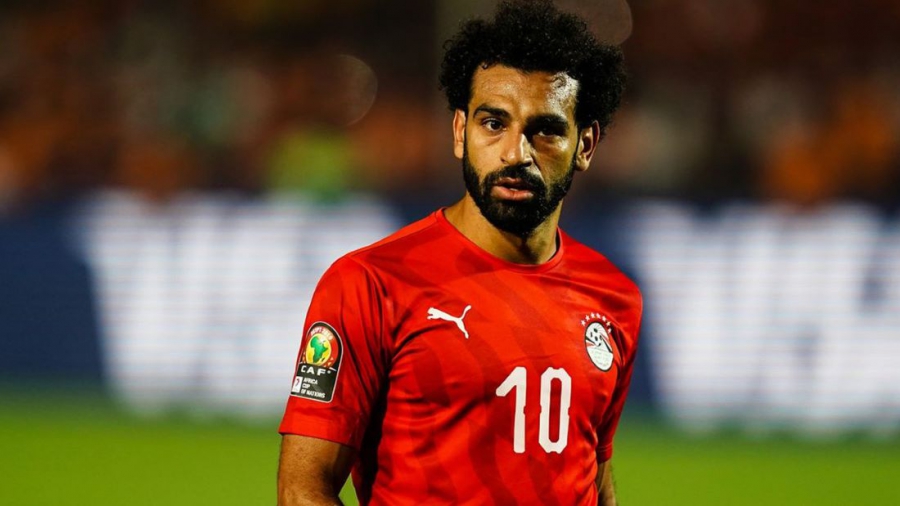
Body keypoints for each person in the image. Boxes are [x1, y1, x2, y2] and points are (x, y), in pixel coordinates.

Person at [277, 1, 641, 504]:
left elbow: (593, 476)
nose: (515, 153)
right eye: (493, 123)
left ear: (585, 145)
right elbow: (302, 489)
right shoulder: (370, 283)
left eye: (545, 130)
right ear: (459, 132)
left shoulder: (615, 298)